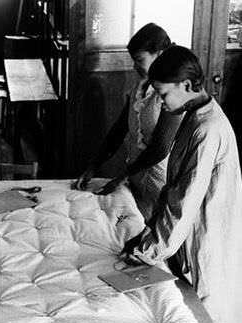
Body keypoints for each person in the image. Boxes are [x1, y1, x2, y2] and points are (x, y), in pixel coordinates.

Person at [123, 45, 242, 323]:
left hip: (209, 236)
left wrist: (150, 249)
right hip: (196, 231)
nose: (161, 100)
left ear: (189, 85)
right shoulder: (194, 116)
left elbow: (184, 202)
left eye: (165, 93)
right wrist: (149, 237)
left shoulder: (208, 128)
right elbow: (173, 193)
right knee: (192, 318)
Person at [74, 23, 181, 220]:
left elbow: (161, 148)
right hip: (136, 177)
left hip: (162, 182)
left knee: (156, 233)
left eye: (139, 60)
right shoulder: (139, 90)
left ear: (159, 54)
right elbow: (118, 130)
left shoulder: (172, 94)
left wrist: (122, 177)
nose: (135, 67)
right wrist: (93, 165)